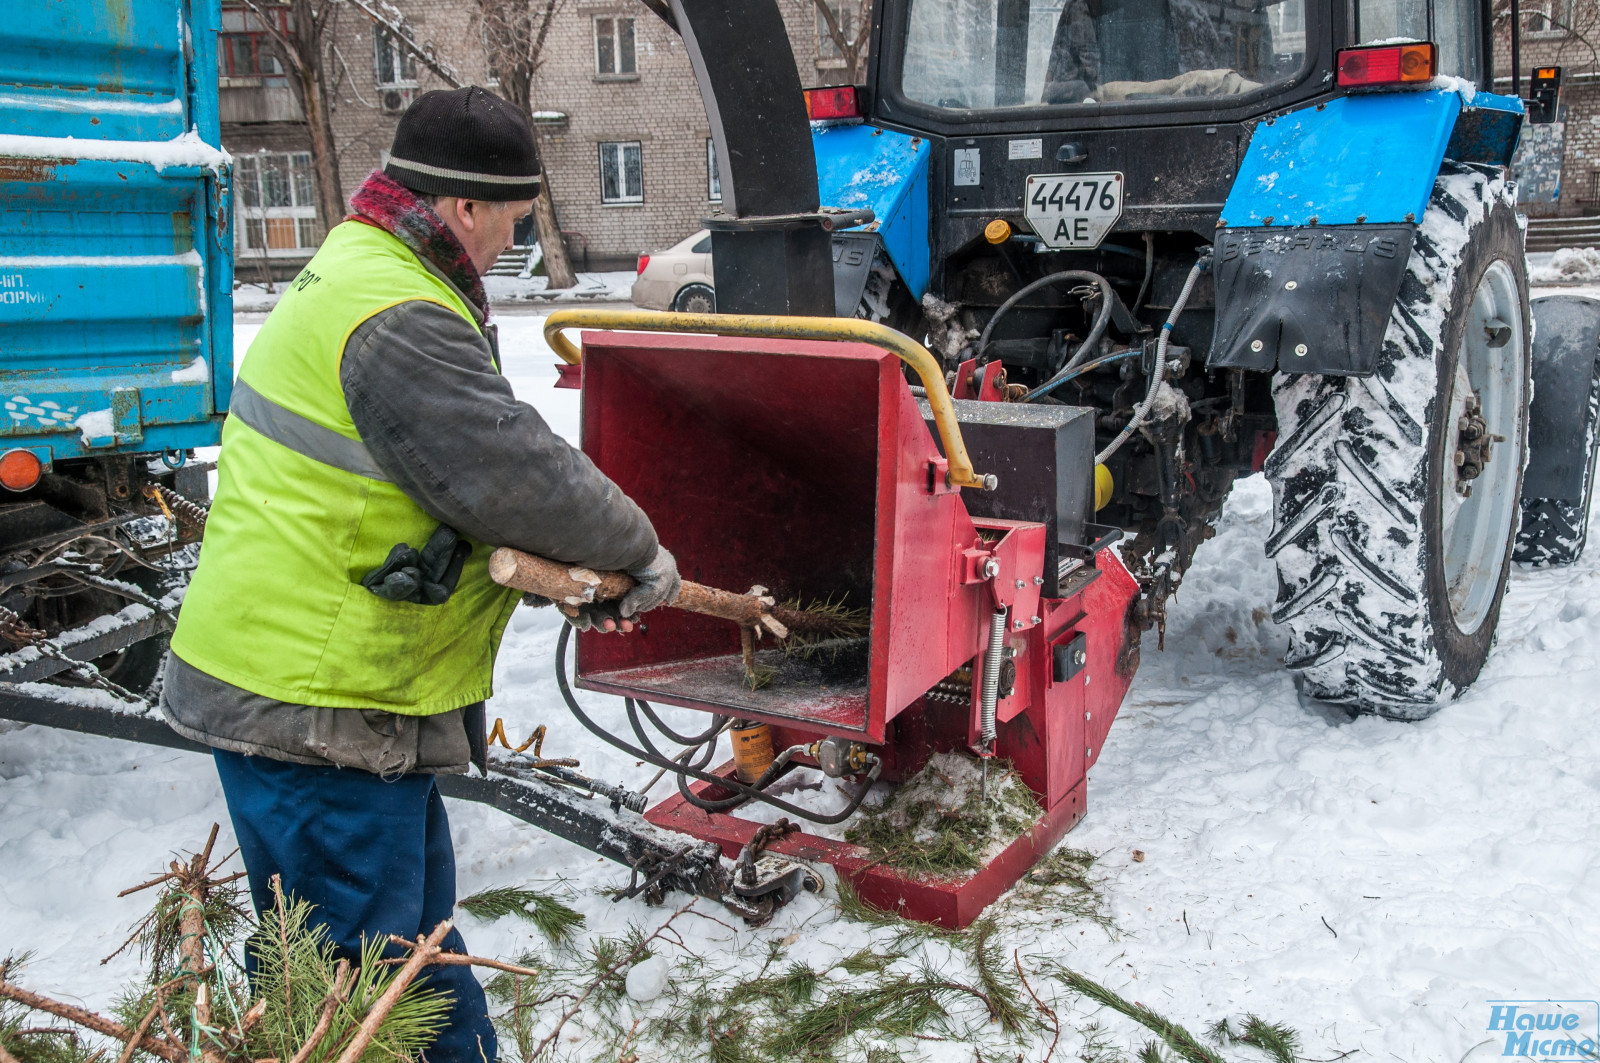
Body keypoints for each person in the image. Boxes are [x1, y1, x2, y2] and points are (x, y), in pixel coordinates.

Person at [160, 86, 679, 1063]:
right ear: (465, 207)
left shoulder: (367, 266)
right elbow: (515, 474)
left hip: (312, 688)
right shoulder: (398, 314)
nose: (505, 244)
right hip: (313, 703)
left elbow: (429, 487)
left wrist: (545, 572)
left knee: (367, 960)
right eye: (510, 222)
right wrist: (635, 554)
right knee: (376, 992)